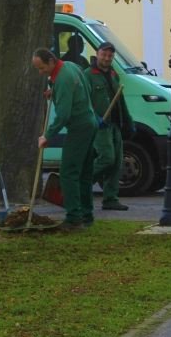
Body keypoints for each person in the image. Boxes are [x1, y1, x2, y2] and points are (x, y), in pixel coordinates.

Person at [32, 48, 98, 230]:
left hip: (78, 128)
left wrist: (47, 136)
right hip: (90, 122)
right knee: (84, 173)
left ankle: (74, 218)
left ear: (51, 61)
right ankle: (87, 215)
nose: (41, 72)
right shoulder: (70, 66)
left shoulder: (62, 79)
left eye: (42, 68)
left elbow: (63, 115)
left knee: (68, 173)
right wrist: (54, 92)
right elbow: (85, 88)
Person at [83, 42, 133, 211]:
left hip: (115, 124)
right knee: (107, 158)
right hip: (99, 125)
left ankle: (110, 199)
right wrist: (95, 118)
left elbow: (120, 100)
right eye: (104, 54)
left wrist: (128, 121)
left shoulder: (113, 74)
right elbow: (84, 101)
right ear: (97, 54)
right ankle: (81, 184)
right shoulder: (88, 75)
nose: (106, 58)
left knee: (116, 163)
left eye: (110, 56)